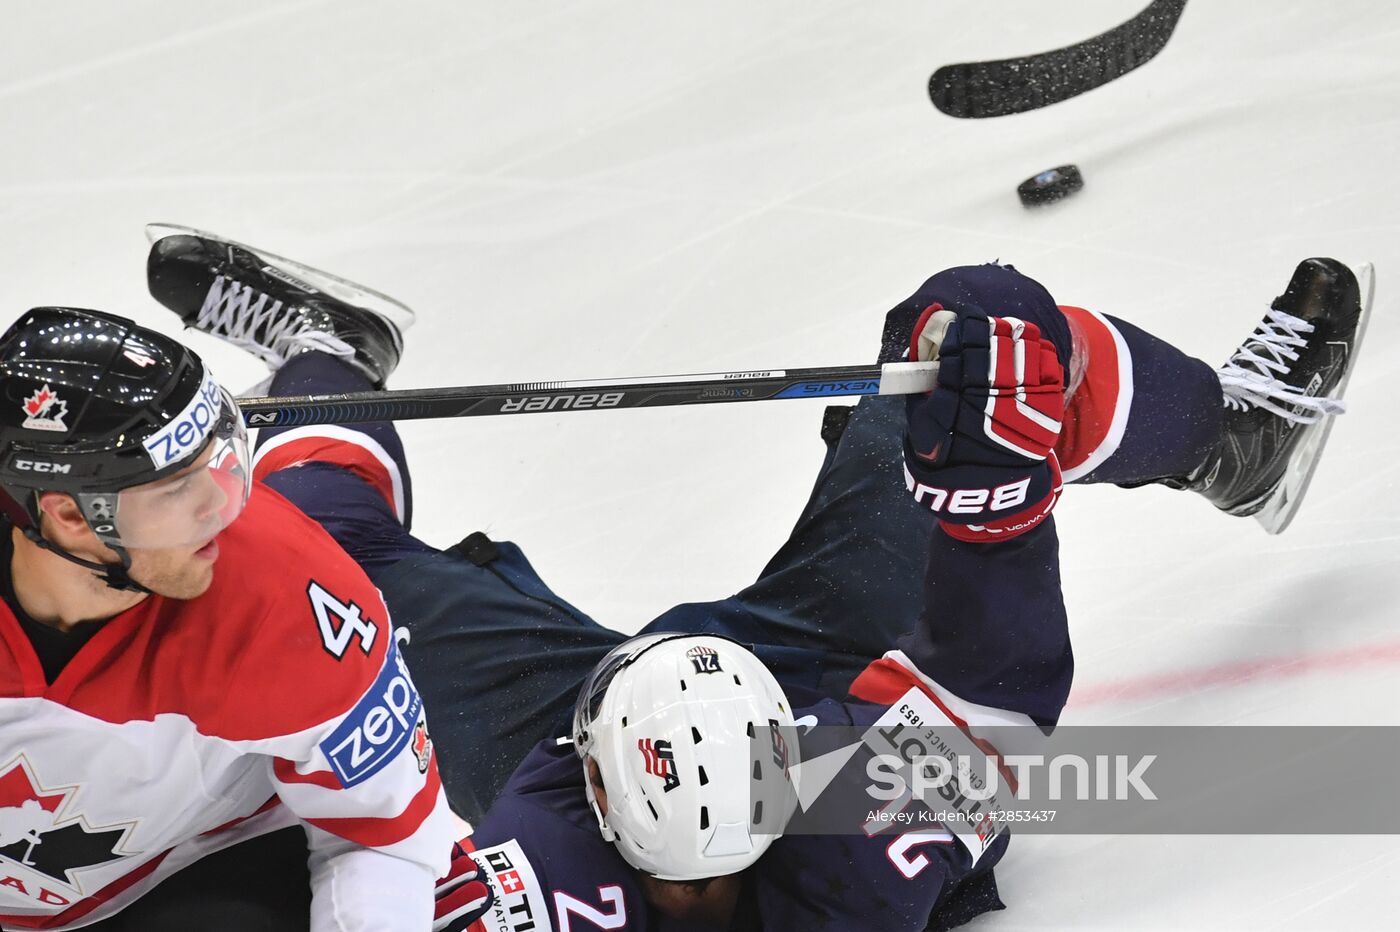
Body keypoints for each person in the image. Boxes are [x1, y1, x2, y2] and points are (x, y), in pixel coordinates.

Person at [146, 229, 1369, 930]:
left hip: (642, 739)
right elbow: (994, 698)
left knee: (315, 561)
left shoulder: (544, 863)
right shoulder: (849, 830)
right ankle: (1234, 440)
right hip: (839, 678)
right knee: (981, 347)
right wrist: (992, 501)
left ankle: (330, 358)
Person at [0, 302, 457, 929]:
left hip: (194, 872)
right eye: (175, 488)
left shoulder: (289, 608)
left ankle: (331, 355)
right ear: (73, 516)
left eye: (216, 460)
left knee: (326, 502)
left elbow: (385, 838)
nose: (221, 504)